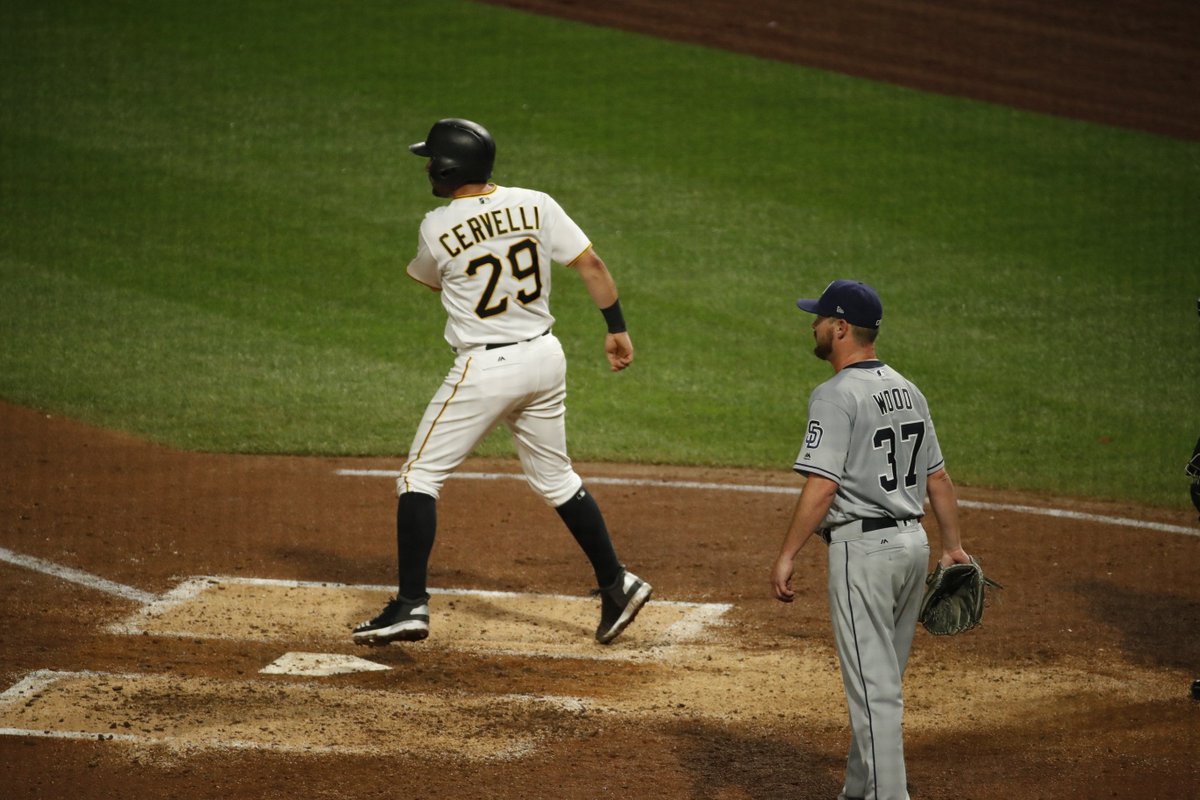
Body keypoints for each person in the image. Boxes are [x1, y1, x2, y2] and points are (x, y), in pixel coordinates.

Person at [352, 118, 652, 647]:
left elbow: (431, 279)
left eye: (432, 160)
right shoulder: (537, 203)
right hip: (545, 358)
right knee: (556, 478)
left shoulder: (436, 226)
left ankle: (410, 604)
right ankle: (616, 583)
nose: (427, 167)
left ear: (448, 169)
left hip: (487, 369)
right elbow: (591, 264)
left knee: (419, 477)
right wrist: (616, 329)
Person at [770, 279, 972, 800]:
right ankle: (858, 791)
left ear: (840, 328)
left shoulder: (835, 395)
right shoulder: (909, 389)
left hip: (864, 555)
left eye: (819, 318)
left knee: (874, 690)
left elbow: (823, 485)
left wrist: (788, 553)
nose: (813, 326)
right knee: (880, 681)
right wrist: (952, 547)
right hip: (913, 549)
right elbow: (938, 478)